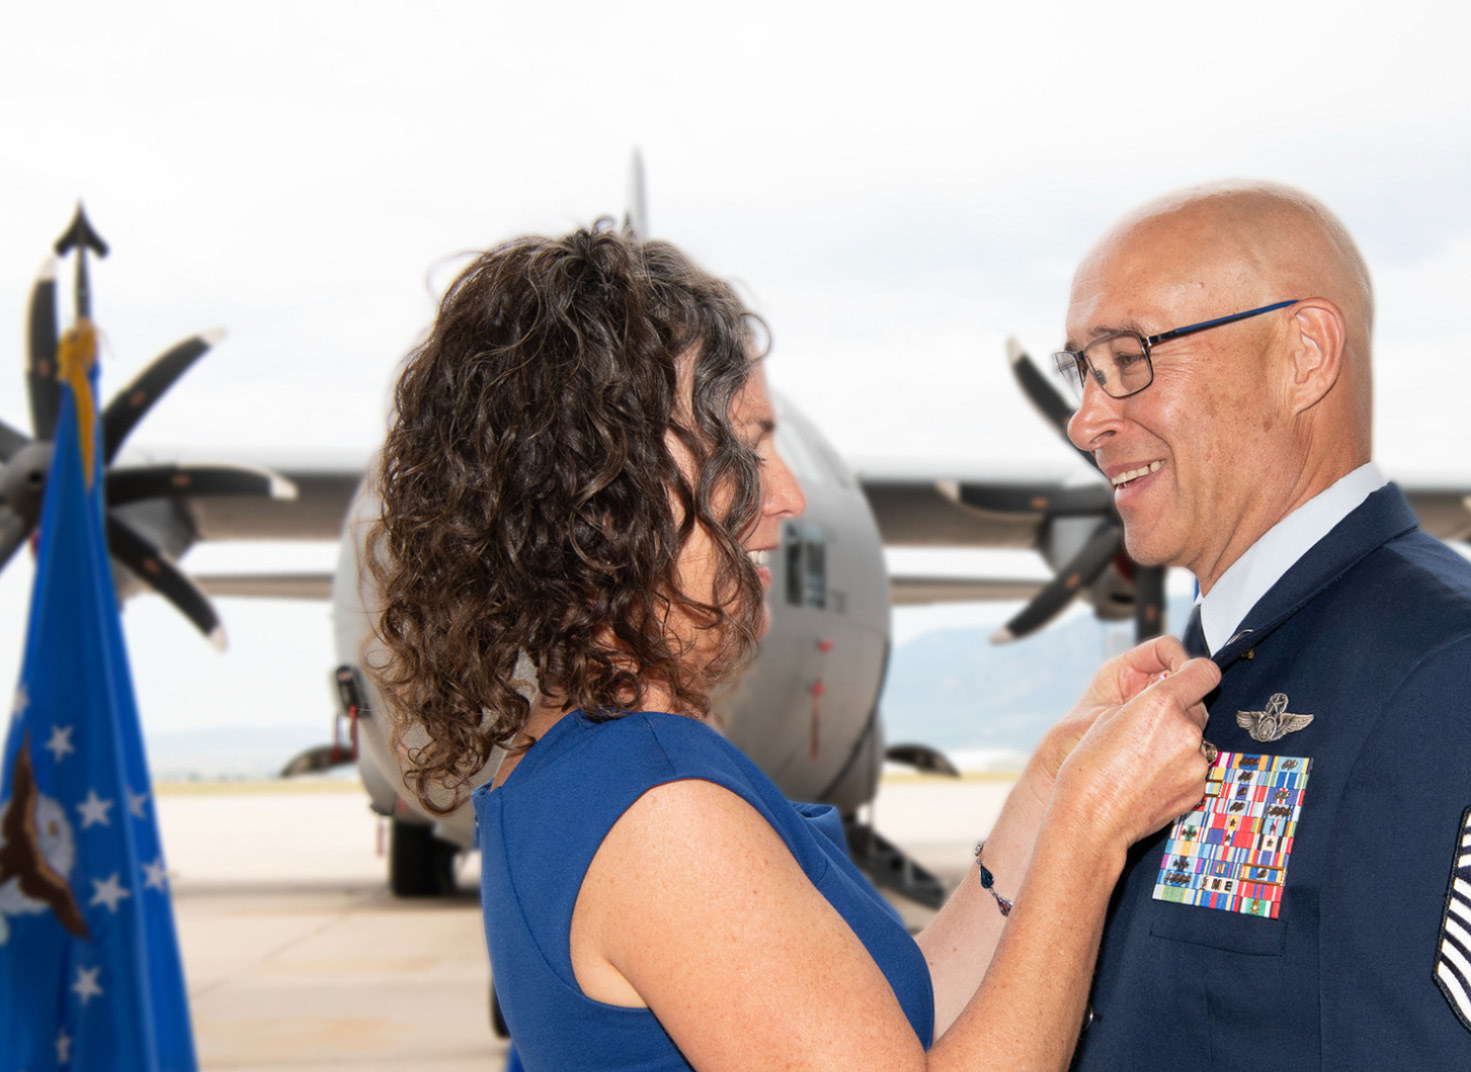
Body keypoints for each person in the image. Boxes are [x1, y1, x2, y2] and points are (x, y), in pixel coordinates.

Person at [366, 224, 1220, 1072]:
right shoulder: (664, 815)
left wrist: (1049, 787)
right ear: (606, 487)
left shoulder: (586, 762)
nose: (788, 493)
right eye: (745, 443)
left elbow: (881, 1028)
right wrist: (1089, 833)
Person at [1054, 184, 1471, 1069]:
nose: (1086, 419)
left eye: (1130, 356)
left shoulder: (1470, 680)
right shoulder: (1226, 660)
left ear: (1304, 356)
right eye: (1084, 369)